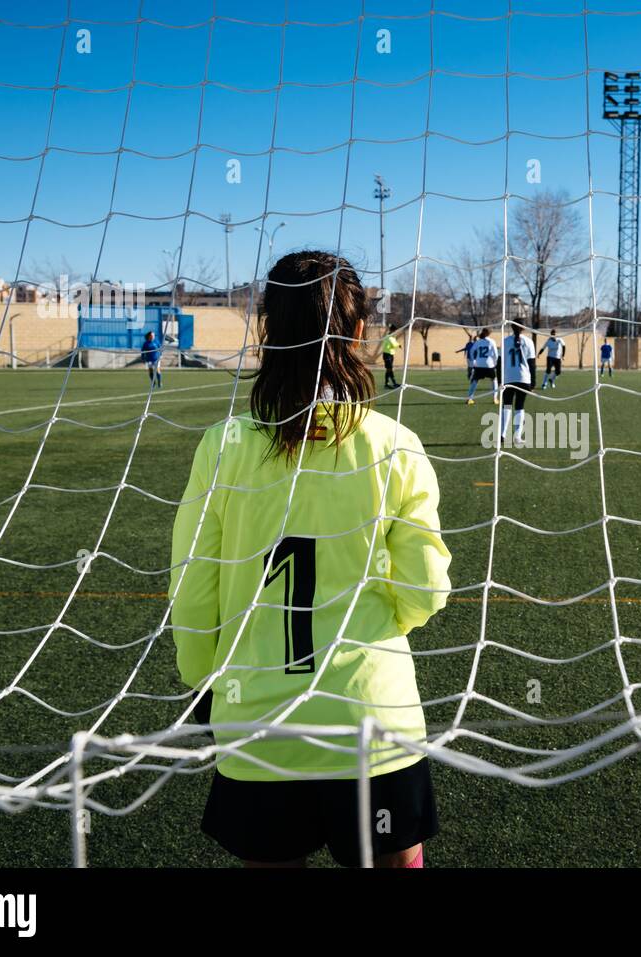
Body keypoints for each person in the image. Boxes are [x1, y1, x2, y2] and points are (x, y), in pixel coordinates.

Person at [170, 250, 450, 869]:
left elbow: (192, 593)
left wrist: (204, 681)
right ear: (356, 332)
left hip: (259, 722)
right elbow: (427, 591)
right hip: (371, 721)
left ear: (269, 329)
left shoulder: (222, 448)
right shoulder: (394, 445)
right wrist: (370, 633)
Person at [501, 322, 536, 446]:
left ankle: (502, 434)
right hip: (524, 378)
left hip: (508, 378)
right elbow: (532, 363)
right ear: (523, 327)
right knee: (519, 406)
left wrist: (500, 380)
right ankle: (517, 436)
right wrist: (533, 383)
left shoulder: (505, 341)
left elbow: (500, 362)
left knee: (506, 406)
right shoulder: (529, 342)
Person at [465, 328, 498, 405]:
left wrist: (474, 360)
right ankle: (495, 398)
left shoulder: (478, 342)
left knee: (474, 381)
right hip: (489, 365)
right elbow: (496, 354)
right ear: (488, 333)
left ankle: (469, 399)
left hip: (479, 365)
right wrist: (494, 363)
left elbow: (472, 350)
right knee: (494, 380)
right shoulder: (491, 341)